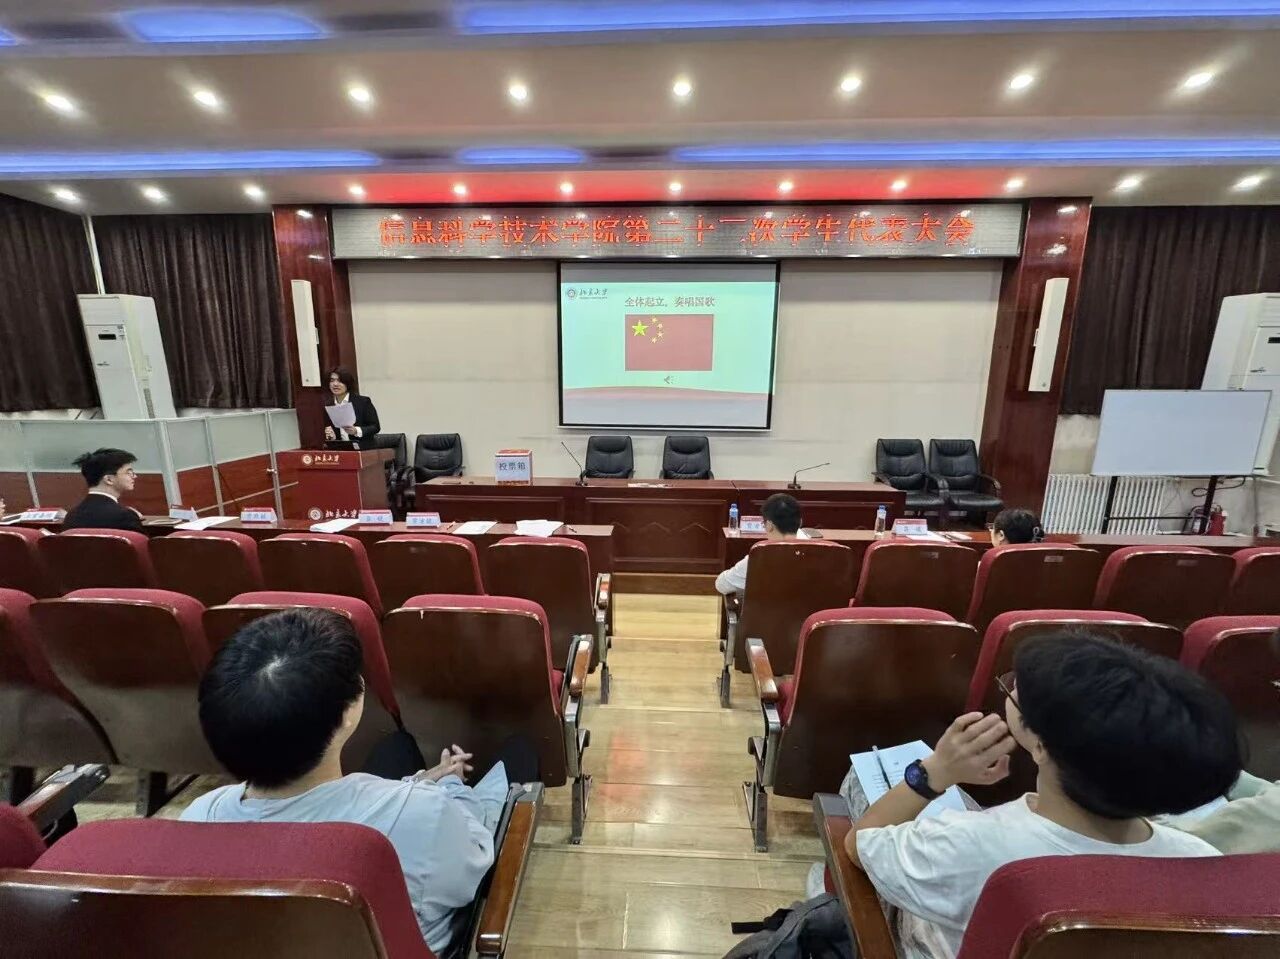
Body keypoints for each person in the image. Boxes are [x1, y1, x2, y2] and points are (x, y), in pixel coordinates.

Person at [843, 632, 1241, 959]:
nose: (1013, 689)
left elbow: (860, 844)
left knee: (862, 783)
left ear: (1040, 745)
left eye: (1016, 692)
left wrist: (933, 774)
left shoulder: (970, 845)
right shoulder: (1203, 864)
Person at [181, 608, 496, 954]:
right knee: (516, 755)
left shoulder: (198, 819)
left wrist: (418, 784)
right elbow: (474, 864)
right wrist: (451, 787)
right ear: (347, 712)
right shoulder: (421, 816)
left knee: (397, 747)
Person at [715, 492, 808, 595]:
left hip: (768, 605)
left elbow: (722, 585)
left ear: (769, 525)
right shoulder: (815, 551)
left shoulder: (760, 554)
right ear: (800, 522)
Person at [63, 448, 145, 533]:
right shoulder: (125, 516)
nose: (134, 476)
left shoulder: (71, 515)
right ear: (109, 479)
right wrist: (134, 517)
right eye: (128, 472)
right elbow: (141, 541)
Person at [324, 367, 381, 450]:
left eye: (339, 381)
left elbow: (375, 427)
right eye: (332, 380)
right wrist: (331, 436)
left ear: (348, 383)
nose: (335, 384)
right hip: (341, 449)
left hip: (363, 448)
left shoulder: (363, 402)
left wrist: (356, 431)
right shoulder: (328, 404)